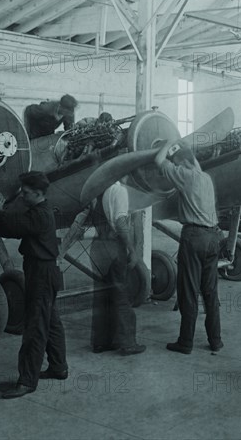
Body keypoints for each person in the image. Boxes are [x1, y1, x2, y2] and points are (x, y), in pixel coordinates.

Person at [0, 171, 68, 399]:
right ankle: (59, 367)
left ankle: (26, 381)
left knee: (35, 327)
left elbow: (13, 227)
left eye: (26, 193)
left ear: (38, 193)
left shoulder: (40, 215)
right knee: (51, 322)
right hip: (46, 272)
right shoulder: (40, 211)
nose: (22, 196)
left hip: (41, 274)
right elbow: (18, 222)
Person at [154, 139, 222, 355]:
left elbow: (158, 161)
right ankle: (216, 340)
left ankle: (185, 342)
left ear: (182, 162)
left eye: (178, 162)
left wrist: (166, 144)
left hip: (194, 237)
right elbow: (192, 164)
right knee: (210, 293)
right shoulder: (206, 178)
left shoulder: (184, 176)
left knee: (189, 292)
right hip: (213, 237)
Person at [88, 181, 146, 356]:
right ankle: (127, 343)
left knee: (102, 295)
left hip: (97, 247)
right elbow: (121, 222)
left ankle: (101, 342)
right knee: (121, 295)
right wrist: (132, 250)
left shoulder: (97, 191)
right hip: (114, 246)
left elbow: (81, 218)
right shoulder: (119, 190)